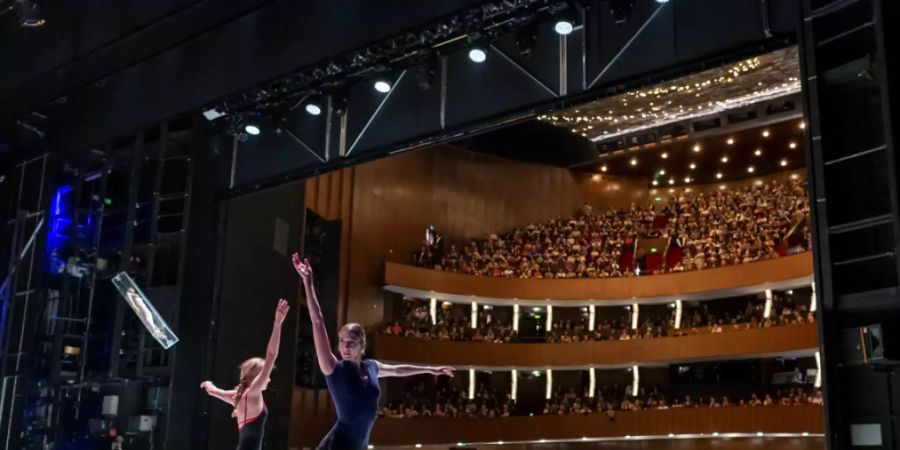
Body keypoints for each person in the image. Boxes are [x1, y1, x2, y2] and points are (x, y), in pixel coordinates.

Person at [292, 253, 454, 450]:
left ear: (362, 345)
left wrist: (430, 369)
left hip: (360, 445)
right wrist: (308, 283)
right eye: (342, 341)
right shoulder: (334, 369)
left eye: (351, 342)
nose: (345, 346)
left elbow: (397, 370)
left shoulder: (371, 367)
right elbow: (317, 320)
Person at [200, 299, 290, 450]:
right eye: (265, 374)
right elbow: (271, 355)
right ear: (257, 377)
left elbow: (213, 391)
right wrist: (277, 324)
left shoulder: (238, 396)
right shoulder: (253, 392)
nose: (268, 378)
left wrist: (208, 384)